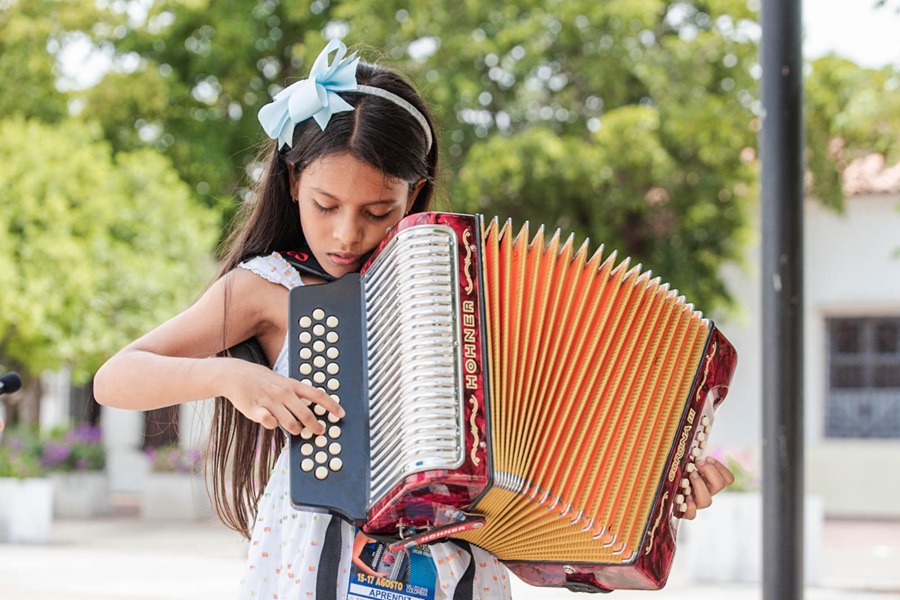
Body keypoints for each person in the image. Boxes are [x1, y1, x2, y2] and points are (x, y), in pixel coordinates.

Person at [94, 38, 734, 599]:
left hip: (458, 570)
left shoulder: (470, 304)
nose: (346, 234)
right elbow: (117, 377)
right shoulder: (269, 288)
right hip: (316, 563)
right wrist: (232, 380)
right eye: (326, 204)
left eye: (378, 211)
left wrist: (662, 481)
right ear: (291, 183)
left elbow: (548, 436)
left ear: (415, 194)